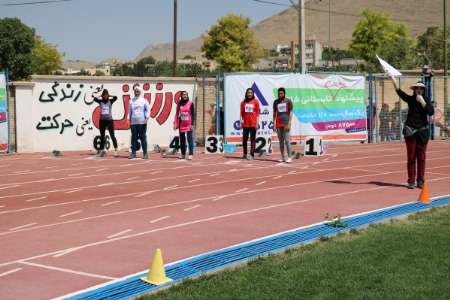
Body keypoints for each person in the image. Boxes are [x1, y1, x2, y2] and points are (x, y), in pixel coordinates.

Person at [389, 76, 434, 189]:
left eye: (421, 88)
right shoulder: (410, 99)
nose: (419, 90)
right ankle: (411, 181)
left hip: (423, 132)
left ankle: (421, 181)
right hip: (410, 130)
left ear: (423, 90)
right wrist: (393, 80)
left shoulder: (426, 100)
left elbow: (430, 112)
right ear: (414, 90)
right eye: (417, 88)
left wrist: (422, 101)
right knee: (411, 157)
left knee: (421, 157)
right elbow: (400, 92)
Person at [93, 89, 119, 157]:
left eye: (106, 95)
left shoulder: (110, 101)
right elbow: (94, 99)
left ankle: (116, 149)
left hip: (109, 121)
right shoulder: (100, 101)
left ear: (108, 95)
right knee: (102, 136)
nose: (105, 96)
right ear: (103, 95)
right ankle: (102, 150)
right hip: (102, 121)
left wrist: (110, 95)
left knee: (112, 135)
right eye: (104, 95)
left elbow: (116, 97)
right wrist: (100, 96)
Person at [128, 85, 150, 159]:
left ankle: (145, 153)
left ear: (140, 92)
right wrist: (129, 119)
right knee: (133, 138)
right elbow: (129, 111)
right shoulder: (131, 100)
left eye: (137, 91)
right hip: (133, 122)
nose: (136, 92)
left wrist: (146, 118)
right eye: (135, 91)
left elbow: (148, 110)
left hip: (142, 122)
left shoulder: (144, 100)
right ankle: (133, 153)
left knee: (143, 137)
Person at [273, 87, 294, 163]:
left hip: (286, 123)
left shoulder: (288, 101)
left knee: (287, 141)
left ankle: (290, 157)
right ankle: (283, 157)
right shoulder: (275, 102)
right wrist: (274, 124)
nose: (280, 94)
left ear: (284, 93)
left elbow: (291, 112)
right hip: (278, 124)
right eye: (279, 93)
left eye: (281, 93)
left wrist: (289, 123)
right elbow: (274, 113)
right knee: (281, 141)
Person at [174, 91, 195, 160]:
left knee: (189, 139)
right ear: (181, 96)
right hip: (181, 124)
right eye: (183, 95)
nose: (185, 96)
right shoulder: (179, 103)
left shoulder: (191, 103)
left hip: (189, 124)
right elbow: (177, 114)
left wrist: (192, 124)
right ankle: (183, 154)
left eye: (186, 94)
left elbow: (193, 114)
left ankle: (190, 154)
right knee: (182, 140)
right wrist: (175, 123)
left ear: (187, 95)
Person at [240, 88, 260, 159]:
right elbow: (241, 113)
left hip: (253, 123)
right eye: (248, 92)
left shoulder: (256, 101)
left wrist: (257, 123)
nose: (249, 94)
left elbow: (257, 113)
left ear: (253, 93)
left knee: (252, 140)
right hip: (245, 124)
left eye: (251, 92)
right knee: (244, 139)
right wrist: (240, 121)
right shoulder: (243, 102)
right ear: (246, 93)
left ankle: (252, 155)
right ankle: (245, 154)